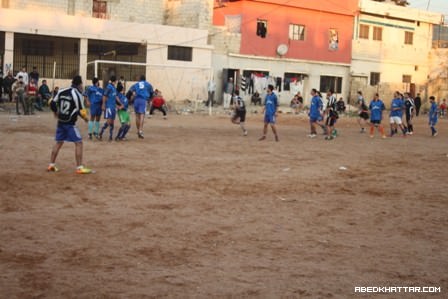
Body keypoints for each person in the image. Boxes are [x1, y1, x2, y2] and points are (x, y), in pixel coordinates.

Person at [47, 75, 93, 174]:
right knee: (79, 143)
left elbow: (51, 103)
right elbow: (81, 111)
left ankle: (51, 165)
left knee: (58, 143)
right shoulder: (77, 95)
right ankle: (79, 167)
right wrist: (85, 118)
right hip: (70, 123)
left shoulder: (62, 90)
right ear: (79, 84)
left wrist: (56, 113)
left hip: (61, 122)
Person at [129, 75, 154, 139]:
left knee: (137, 116)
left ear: (140, 79)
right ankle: (140, 130)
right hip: (143, 100)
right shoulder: (148, 84)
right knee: (142, 115)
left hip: (136, 100)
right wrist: (150, 99)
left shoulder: (136, 84)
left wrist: (130, 98)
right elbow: (152, 93)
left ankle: (138, 131)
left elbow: (130, 91)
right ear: (145, 79)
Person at [99, 76, 122, 141]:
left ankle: (110, 136)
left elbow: (115, 97)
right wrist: (103, 104)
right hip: (109, 106)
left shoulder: (114, 88)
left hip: (113, 107)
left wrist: (120, 103)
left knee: (112, 121)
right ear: (115, 81)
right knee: (109, 121)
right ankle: (100, 133)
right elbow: (104, 96)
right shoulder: (109, 87)